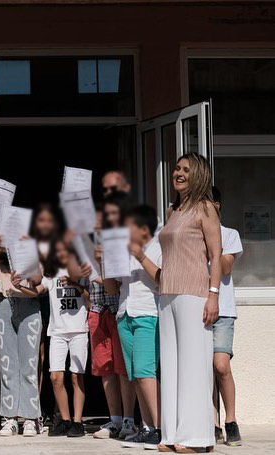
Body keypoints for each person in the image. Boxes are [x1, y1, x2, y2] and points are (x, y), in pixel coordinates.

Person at [157, 152, 221, 453]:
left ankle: (197, 438)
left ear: (198, 175)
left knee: (194, 366)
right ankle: (171, 434)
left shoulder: (205, 208)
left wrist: (213, 295)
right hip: (167, 293)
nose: (178, 173)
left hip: (195, 293)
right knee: (171, 366)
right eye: (177, 168)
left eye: (186, 169)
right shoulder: (173, 210)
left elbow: (215, 256)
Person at [104, 205, 163, 449]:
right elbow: (111, 288)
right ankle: (147, 427)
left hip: (148, 313)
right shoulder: (125, 250)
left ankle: (160, 428)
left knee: (145, 371)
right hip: (124, 313)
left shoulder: (159, 246)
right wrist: (103, 262)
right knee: (135, 374)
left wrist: (140, 256)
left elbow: (162, 279)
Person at [0, 233, 43, 437]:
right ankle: (9, 418)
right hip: (4, 303)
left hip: (28, 305)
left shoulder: (30, 245)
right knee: (8, 365)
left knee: (29, 365)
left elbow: (37, 279)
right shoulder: (0, 249)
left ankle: (30, 418)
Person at [91, 192, 136, 441]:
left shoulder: (124, 240)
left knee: (123, 367)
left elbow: (115, 285)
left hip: (118, 307)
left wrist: (102, 265)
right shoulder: (91, 242)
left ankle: (129, 419)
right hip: (97, 308)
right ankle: (115, 420)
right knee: (106, 368)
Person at [40, 238, 90, 438]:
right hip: (58, 331)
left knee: (77, 376)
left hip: (78, 329)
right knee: (55, 377)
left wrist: (74, 283)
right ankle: (65, 419)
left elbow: (89, 297)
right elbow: (38, 289)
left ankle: (78, 422)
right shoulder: (50, 273)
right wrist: (22, 286)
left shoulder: (82, 270)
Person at [210, 186, 243, 447]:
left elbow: (226, 267)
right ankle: (213, 422)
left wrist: (211, 243)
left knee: (221, 365)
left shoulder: (229, 234)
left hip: (223, 310)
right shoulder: (193, 235)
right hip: (197, 309)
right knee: (204, 370)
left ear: (217, 205)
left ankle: (231, 421)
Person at [30, 202, 59, 424]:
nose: (45, 224)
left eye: (49, 220)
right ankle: (36, 409)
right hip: (36, 300)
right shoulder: (29, 246)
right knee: (37, 357)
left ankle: (58, 410)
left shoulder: (60, 247)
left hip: (57, 304)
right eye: (41, 220)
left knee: (56, 359)